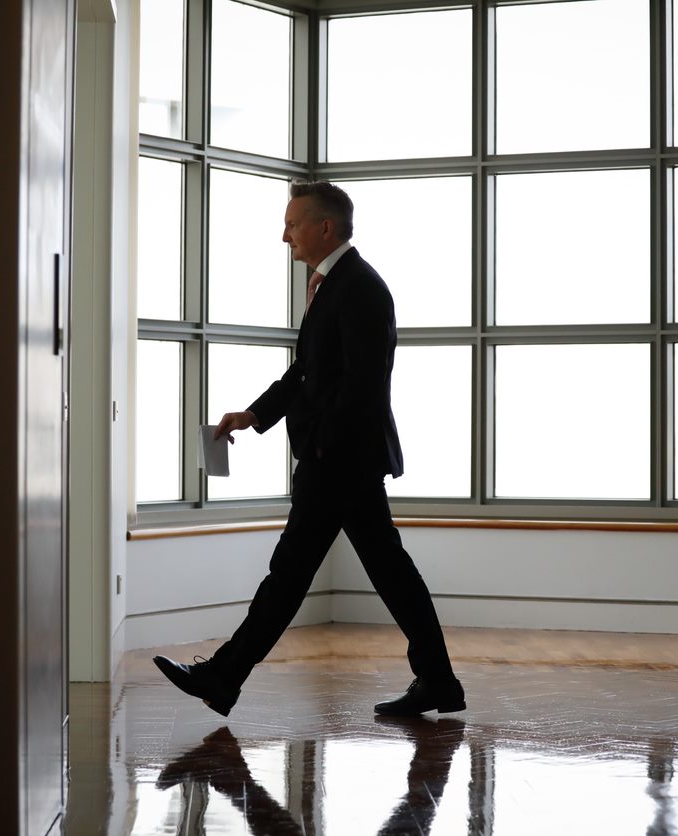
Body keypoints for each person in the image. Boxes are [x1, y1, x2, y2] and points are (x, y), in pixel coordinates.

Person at [153, 181, 465, 718]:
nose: (284, 236)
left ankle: (224, 676)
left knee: (294, 574)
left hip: (339, 462)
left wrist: (320, 448)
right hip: (343, 460)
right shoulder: (336, 284)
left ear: (325, 227)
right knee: (378, 572)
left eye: (292, 224)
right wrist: (254, 415)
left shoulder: (360, 288)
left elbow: (364, 384)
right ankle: (437, 680)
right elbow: (308, 374)